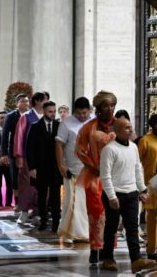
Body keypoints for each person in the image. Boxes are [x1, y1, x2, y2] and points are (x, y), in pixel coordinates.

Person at [99, 117, 157, 273]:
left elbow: (137, 170)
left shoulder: (133, 147)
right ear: (117, 131)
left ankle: (136, 259)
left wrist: (143, 190)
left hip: (131, 194)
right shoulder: (109, 149)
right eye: (126, 128)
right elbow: (105, 176)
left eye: (131, 127)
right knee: (111, 227)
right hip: (114, 194)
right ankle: (108, 258)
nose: (131, 130)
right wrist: (111, 196)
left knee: (132, 227)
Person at [76, 90, 117, 264]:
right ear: (98, 109)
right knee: (96, 212)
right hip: (94, 176)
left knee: (112, 214)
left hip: (115, 177)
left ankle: (108, 250)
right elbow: (79, 149)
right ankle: (95, 248)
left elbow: (130, 145)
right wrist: (93, 164)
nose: (110, 108)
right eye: (106, 105)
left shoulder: (121, 125)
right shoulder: (89, 127)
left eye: (112, 105)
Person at [55, 96, 93, 242]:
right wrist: (61, 165)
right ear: (75, 111)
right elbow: (59, 145)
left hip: (90, 169)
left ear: (89, 110)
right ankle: (68, 232)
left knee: (87, 202)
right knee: (71, 201)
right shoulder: (66, 123)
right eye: (79, 113)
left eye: (85, 113)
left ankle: (86, 232)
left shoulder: (94, 121)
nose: (82, 116)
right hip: (72, 168)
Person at [27, 101, 62, 232]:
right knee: (42, 196)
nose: (52, 114)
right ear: (44, 111)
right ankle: (43, 221)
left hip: (55, 168)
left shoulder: (59, 126)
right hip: (40, 168)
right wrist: (32, 167)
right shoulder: (35, 126)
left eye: (54, 111)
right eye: (50, 112)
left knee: (55, 196)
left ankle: (56, 223)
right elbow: (29, 148)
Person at [14, 91, 48, 223]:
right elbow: (19, 136)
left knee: (44, 185)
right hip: (28, 157)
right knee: (26, 184)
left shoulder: (47, 116)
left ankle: (39, 210)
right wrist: (19, 155)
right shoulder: (26, 117)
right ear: (38, 101)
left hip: (44, 157)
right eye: (45, 100)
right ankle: (23, 211)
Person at [138, 113, 157, 259]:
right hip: (150, 185)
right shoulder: (145, 141)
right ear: (156, 126)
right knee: (152, 218)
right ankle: (151, 249)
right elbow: (137, 163)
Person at [1, 93, 30, 210]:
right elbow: (4, 135)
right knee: (15, 178)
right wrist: (4, 153)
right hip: (14, 152)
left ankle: (28, 202)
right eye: (22, 101)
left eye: (27, 101)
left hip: (28, 151)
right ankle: (17, 203)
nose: (25, 103)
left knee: (28, 178)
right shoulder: (11, 116)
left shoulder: (31, 115)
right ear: (17, 103)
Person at [0, 111, 12, 209]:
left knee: (10, 184)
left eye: (5, 117)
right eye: (1, 118)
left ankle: (9, 204)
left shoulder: (11, 131)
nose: (3, 120)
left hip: (8, 162)